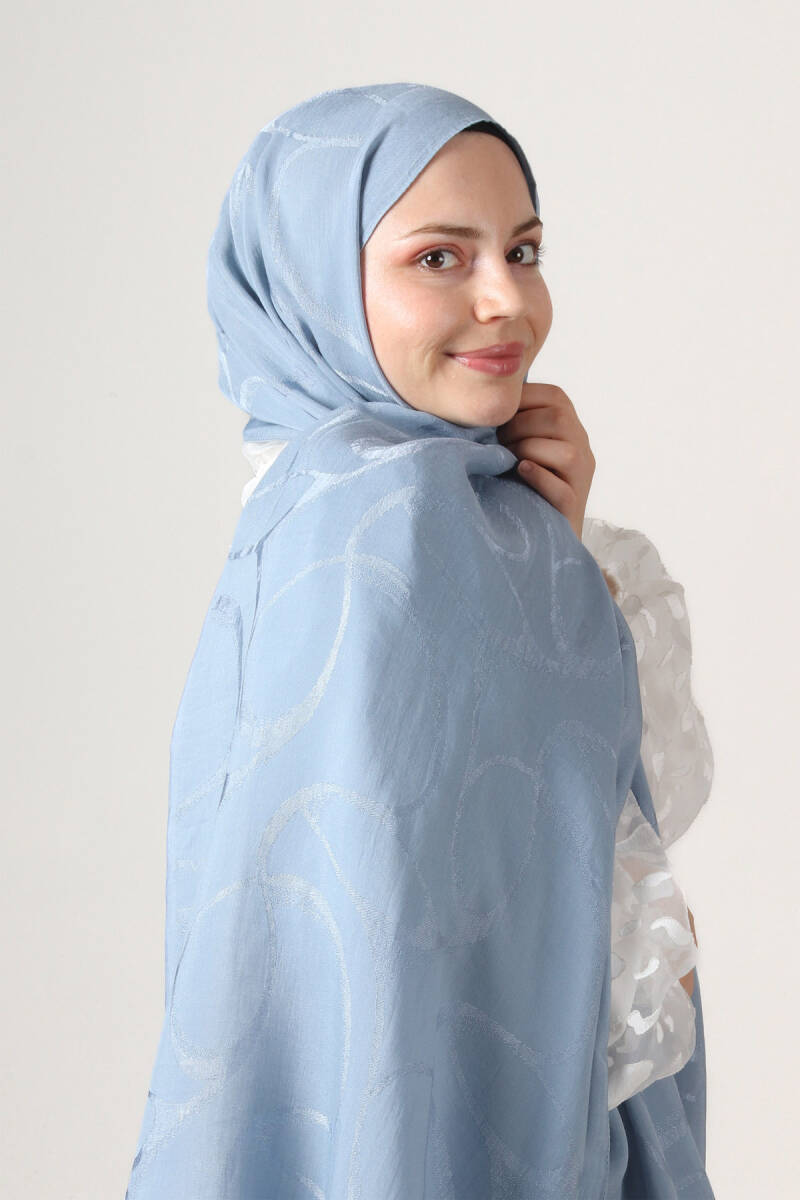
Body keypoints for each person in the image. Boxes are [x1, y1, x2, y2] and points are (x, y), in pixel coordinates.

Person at [125, 83, 715, 1198]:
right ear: (314, 282)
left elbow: (533, 840)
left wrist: (553, 553)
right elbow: (381, 950)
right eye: (439, 258)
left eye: (523, 250)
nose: (506, 300)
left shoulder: (376, 509)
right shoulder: (373, 528)